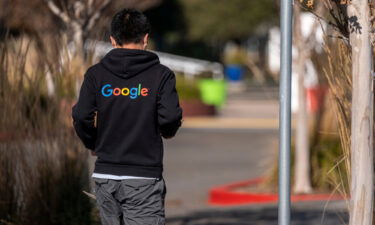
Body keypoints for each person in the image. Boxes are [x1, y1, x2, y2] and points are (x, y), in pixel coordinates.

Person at [72, 8, 182, 225]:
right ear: (146, 39)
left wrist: (93, 142)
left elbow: (81, 115)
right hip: (143, 177)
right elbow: (169, 117)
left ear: (113, 40)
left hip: (105, 176)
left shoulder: (96, 75)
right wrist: (167, 132)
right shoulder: (161, 75)